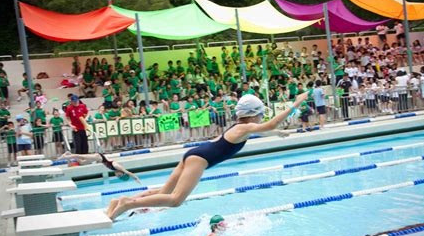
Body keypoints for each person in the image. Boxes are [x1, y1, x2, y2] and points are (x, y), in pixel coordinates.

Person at [106, 93, 309, 220]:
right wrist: (295, 104)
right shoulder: (245, 127)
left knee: (165, 190)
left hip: (194, 154)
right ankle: (127, 204)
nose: (262, 118)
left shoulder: (241, 127)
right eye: (261, 114)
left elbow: (264, 129)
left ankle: (119, 201)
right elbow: (269, 125)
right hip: (199, 160)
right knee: (175, 200)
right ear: (254, 114)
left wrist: (277, 133)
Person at [58, 151, 142, 183]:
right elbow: (128, 172)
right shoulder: (117, 166)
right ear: (122, 173)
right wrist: (136, 179)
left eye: (118, 177)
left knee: (82, 162)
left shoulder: (115, 169)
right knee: (81, 156)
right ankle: (65, 156)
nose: (117, 175)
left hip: (99, 159)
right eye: (119, 175)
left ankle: (68, 153)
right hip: (98, 157)